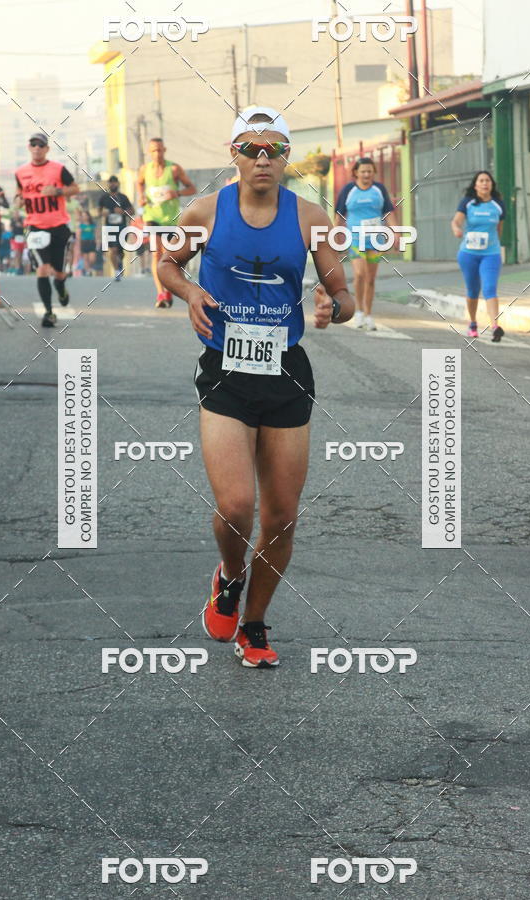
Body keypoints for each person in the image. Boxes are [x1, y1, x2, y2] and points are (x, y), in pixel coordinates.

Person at [158, 106, 354, 668]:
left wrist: (330, 305)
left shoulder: (312, 217)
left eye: (273, 150)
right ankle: (228, 575)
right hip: (225, 371)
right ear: (234, 155)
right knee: (238, 506)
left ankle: (255, 624)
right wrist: (189, 292)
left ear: (287, 157)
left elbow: (346, 298)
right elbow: (168, 264)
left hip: (287, 374)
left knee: (282, 518)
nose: (261, 159)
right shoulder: (204, 211)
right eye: (251, 149)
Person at [15, 133, 80, 327]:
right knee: (42, 270)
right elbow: (19, 194)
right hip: (34, 227)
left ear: (47, 149)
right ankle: (49, 313)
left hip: (58, 226)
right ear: (29, 147)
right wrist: (17, 201)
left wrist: (58, 191)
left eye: (40, 145)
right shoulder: (21, 172)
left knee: (58, 273)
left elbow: (75, 188)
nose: (36, 148)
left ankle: (60, 286)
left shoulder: (58, 169)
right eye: (33, 144)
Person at [334, 157, 397, 332]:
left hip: (375, 239)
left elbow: (389, 212)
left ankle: (368, 315)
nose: (367, 174)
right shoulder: (349, 190)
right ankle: (359, 311)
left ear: (373, 172)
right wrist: (335, 237)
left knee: (370, 279)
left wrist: (396, 232)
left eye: (370, 171)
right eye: (363, 171)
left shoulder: (379, 189)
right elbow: (339, 215)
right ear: (356, 173)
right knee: (360, 274)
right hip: (355, 239)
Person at [137, 137, 197, 307]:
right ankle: (161, 293)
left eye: (160, 150)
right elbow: (139, 184)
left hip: (170, 219)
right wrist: (141, 196)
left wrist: (176, 193)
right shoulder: (144, 170)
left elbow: (192, 188)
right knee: (156, 253)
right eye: (153, 150)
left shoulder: (174, 169)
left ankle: (169, 290)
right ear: (149, 153)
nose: (157, 153)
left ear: (165, 150)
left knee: (167, 255)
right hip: (152, 217)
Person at [451, 171, 505, 342]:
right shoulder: (468, 203)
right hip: (469, 254)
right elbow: (456, 221)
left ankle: (495, 326)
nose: (484, 183)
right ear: (475, 185)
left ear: (491, 185)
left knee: (490, 288)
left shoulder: (498, 204)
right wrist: (457, 230)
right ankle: (473, 322)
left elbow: (499, 229)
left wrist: (495, 245)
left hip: (491, 254)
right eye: (481, 181)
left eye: (487, 180)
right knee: (473, 291)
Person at [98, 175, 135, 281]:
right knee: (113, 250)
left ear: (118, 184)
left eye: (115, 182)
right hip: (109, 227)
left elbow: (132, 211)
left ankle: (119, 263)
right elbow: (98, 211)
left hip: (122, 227)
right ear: (108, 184)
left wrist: (123, 212)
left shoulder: (123, 197)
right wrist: (102, 212)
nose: (113, 184)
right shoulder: (104, 197)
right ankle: (117, 271)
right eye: (111, 182)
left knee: (120, 251)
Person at [78, 209, 97, 276]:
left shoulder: (92, 225)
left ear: (88, 216)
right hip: (84, 242)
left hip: (91, 242)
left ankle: (89, 267)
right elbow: (79, 236)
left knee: (92, 259)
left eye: (85, 215)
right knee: (85, 258)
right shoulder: (81, 225)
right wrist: (79, 246)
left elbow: (96, 234)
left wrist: (98, 242)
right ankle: (88, 271)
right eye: (83, 216)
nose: (84, 217)